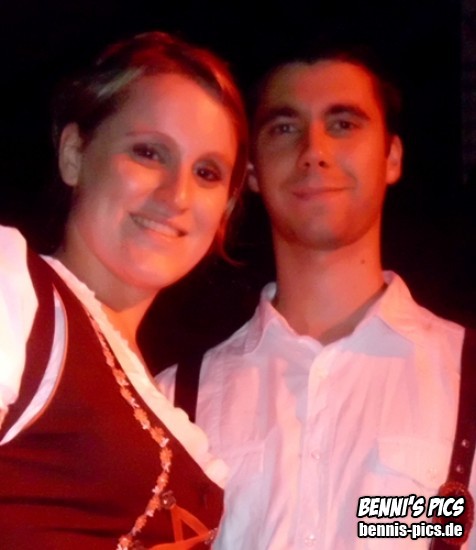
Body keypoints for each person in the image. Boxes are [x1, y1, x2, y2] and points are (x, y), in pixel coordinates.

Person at [158, 43, 476, 548]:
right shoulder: (170, 403)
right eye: (285, 128)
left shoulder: (466, 378)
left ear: (392, 157)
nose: (314, 150)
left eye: (343, 124)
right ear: (252, 171)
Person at [0, 31, 248, 549]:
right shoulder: (16, 290)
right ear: (74, 154)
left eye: (206, 172)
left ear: (224, 210)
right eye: (149, 153)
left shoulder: (166, 396)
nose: (177, 195)